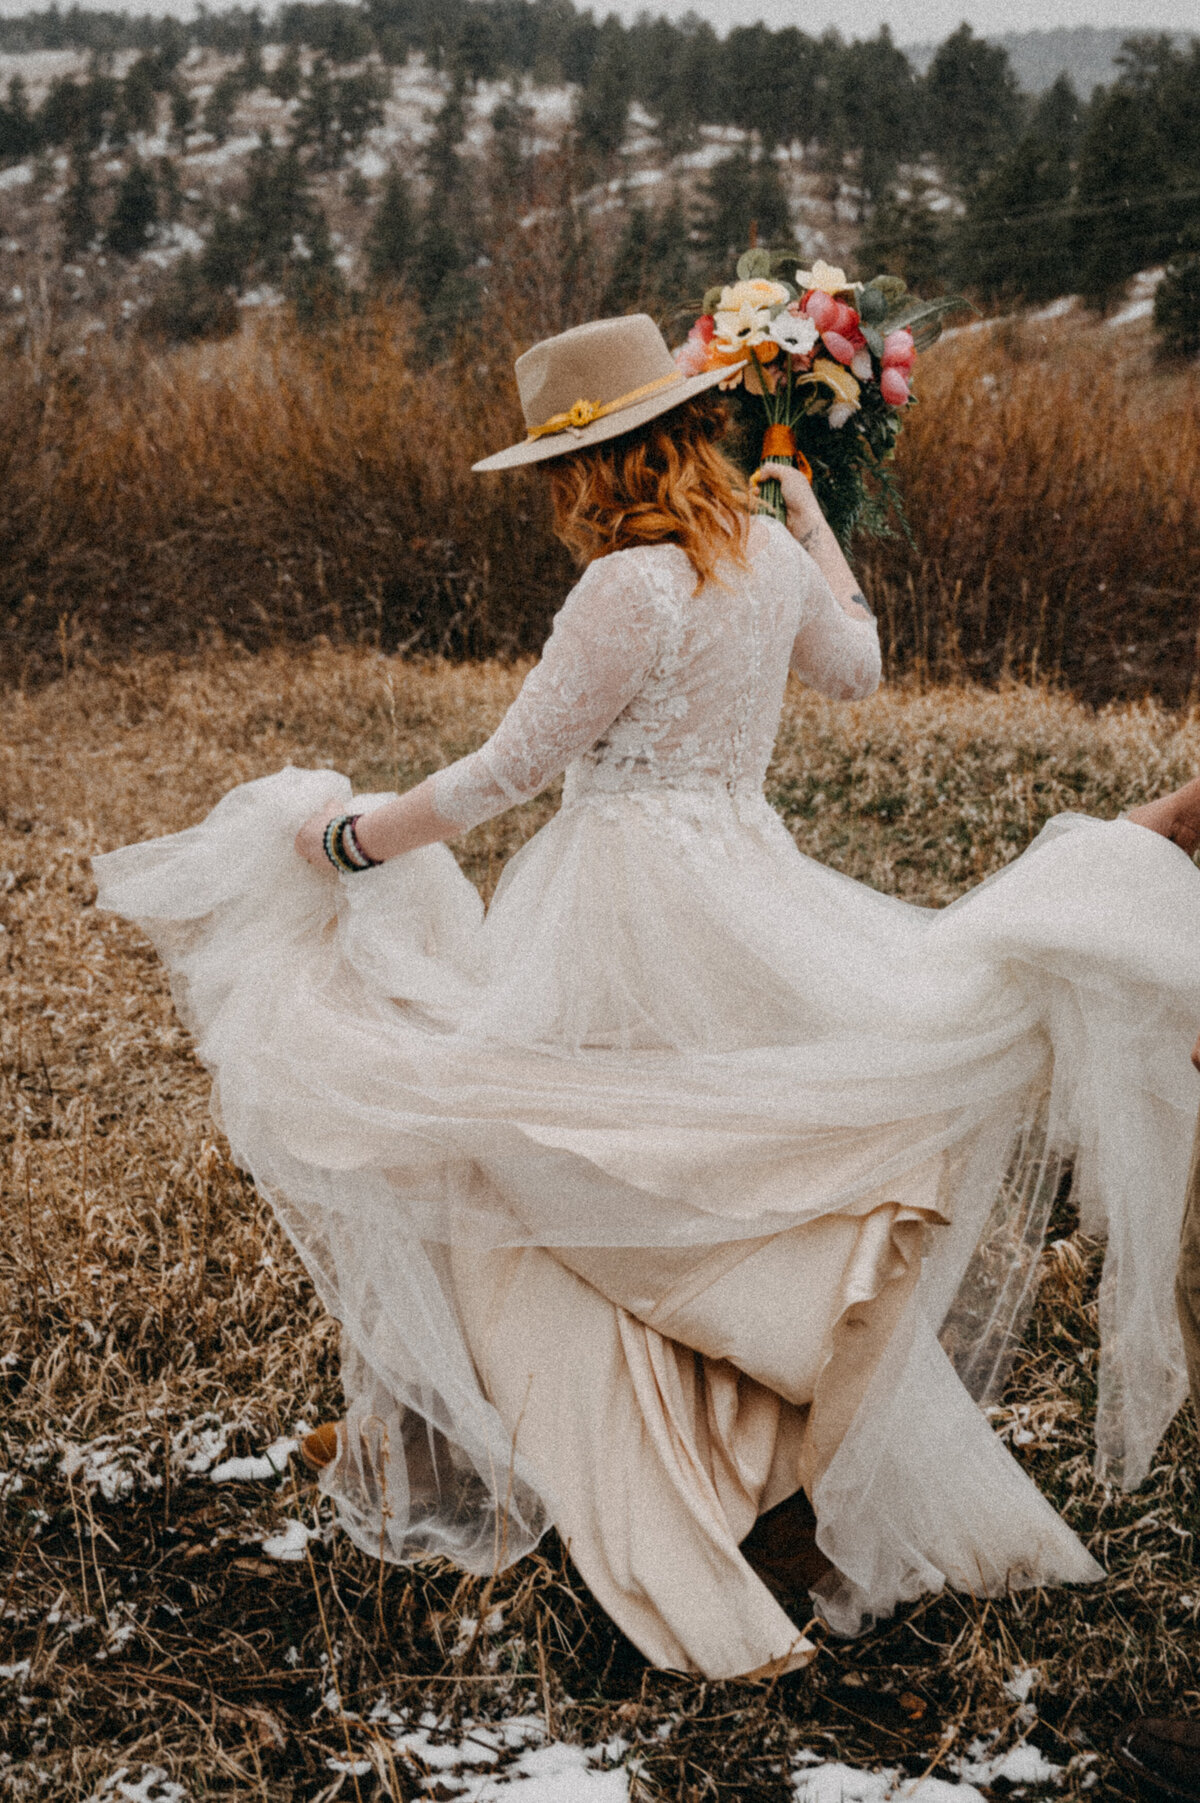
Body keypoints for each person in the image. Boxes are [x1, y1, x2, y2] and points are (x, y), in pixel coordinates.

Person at [93, 314, 1200, 1682]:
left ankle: (607, 1470)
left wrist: (343, 841)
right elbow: (861, 663)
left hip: (618, 907)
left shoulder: (629, 585)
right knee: (692, 1176)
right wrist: (808, 516)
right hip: (749, 893)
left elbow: (507, 771)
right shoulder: (762, 560)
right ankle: (739, 1478)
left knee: (567, 1177)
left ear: (595, 464)